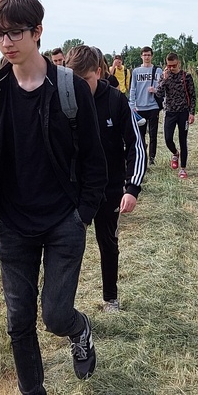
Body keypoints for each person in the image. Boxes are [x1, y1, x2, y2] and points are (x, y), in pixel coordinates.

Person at [0, 0, 107, 395]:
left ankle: (79, 330)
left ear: (37, 32)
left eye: (15, 32)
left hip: (63, 220)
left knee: (55, 315)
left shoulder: (69, 89)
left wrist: (82, 214)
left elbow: (95, 160)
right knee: (18, 322)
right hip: (13, 226)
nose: (6, 42)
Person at [64, 45, 144, 312]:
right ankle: (63, 305)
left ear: (98, 72)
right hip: (74, 189)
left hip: (110, 188)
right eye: (74, 81)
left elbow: (136, 145)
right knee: (67, 245)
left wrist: (132, 188)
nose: (79, 87)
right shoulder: (63, 101)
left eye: (85, 80)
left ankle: (110, 297)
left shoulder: (116, 100)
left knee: (107, 243)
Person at [155, 53, 197, 179]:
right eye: (169, 66)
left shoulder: (186, 76)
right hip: (169, 112)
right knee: (168, 138)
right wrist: (164, 79)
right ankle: (175, 153)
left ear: (178, 63)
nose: (171, 68)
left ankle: (183, 168)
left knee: (183, 140)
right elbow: (158, 94)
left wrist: (192, 113)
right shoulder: (164, 76)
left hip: (183, 112)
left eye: (173, 65)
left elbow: (193, 96)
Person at [127, 47, 162, 166]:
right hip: (140, 108)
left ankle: (152, 157)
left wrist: (155, 90)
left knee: (153, 134)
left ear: (152, 56)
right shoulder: (136, 71)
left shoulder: (157, 70)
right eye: (145, 55)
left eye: (149, 55)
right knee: (140, 135)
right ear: (141, 56)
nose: (147, 57)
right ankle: (142, 155)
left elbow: (162, 88)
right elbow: (132, 88)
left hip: (153, 106)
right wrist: (132, 104)